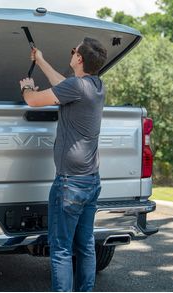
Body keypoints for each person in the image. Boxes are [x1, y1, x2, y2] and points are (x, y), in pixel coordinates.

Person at [19, 37, 107, 292]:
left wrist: (27, 88)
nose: (71, 53)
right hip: (91, 181)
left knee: (60, 249)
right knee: (86, 245)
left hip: (69, 183)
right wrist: (41, 60)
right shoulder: (95, 85)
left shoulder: (77, 87)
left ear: (79, 58)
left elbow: (33, 101)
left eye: (73, 50)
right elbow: (64, 84)